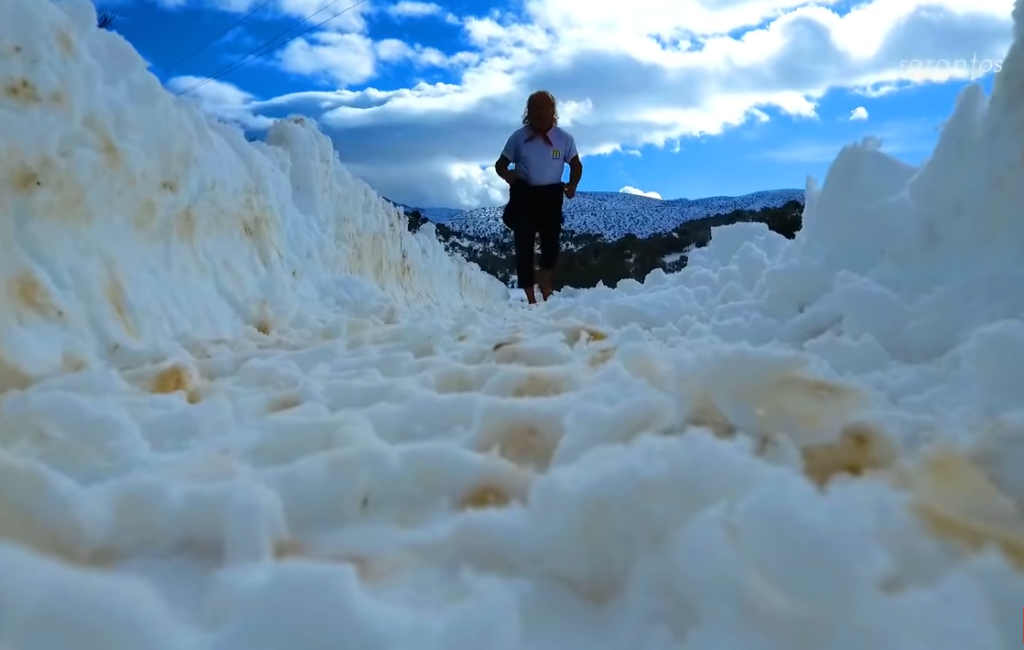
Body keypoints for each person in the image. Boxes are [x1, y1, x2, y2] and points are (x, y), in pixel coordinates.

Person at [494, 90, 583, 304]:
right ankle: (530, 297)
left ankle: (545, 281)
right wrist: (508, 175)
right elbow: (500, 164)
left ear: (553, 111)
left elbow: (576, 165)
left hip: (551, 196)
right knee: (523, 247)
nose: (541, 112)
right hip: (524, 195)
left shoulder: (564, 139)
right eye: (536, 108)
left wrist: (572, 185)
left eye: (545, 108)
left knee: (551, 246)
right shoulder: (518, 137)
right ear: (529, 112)